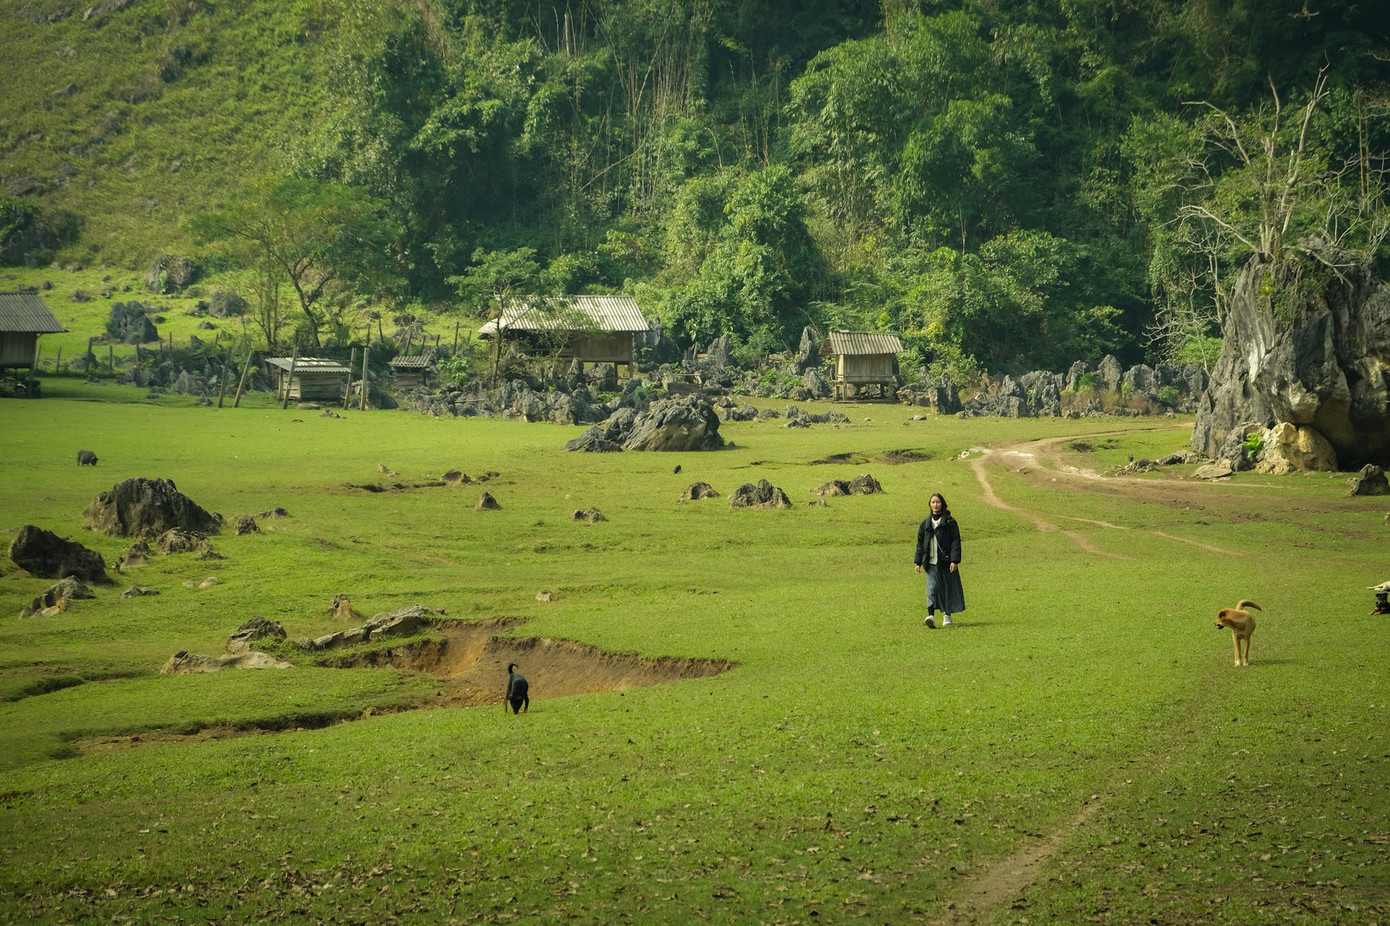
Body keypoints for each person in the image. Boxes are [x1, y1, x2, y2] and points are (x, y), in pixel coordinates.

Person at [914, 492, 965, 628]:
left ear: (942, 504)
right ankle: (930, 615)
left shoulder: (950, 523)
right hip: (930, 563)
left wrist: (954, 560)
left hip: (946, 562)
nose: (935, 505)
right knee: (931, 588)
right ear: (930, 505)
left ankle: (947, 615)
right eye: (933, 502)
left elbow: (955, 542)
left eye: (938, 502)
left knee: (946, 588)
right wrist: (918, 562)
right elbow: (920, 544)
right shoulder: (925, 524)